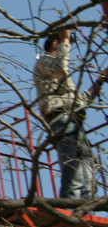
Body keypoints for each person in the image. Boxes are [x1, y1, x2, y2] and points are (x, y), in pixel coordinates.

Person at [33, 29, 103, 200]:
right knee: (73, 171)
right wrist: (65, 39)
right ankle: (68, 209)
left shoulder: (61, 79)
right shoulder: (44, 62)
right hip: (61, 119)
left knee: (87, 174)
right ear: (56, 44)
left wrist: (100, 81)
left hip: (73, 119)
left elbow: (80, 101)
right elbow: (60, 70)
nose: (68, 48)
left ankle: (85, 212)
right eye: (65, 44)